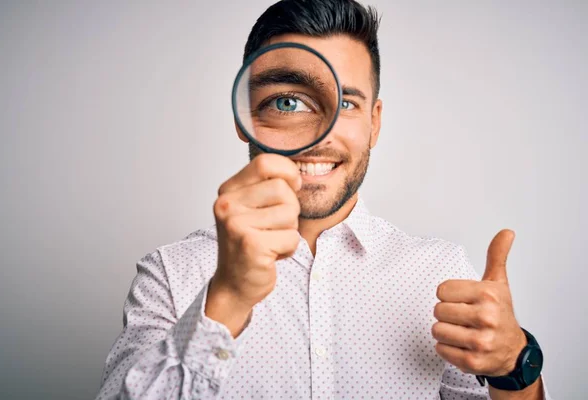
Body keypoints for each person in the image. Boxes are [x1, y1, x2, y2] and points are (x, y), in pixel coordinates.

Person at [96, 1, 552, 399]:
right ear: (243, 116)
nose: (321, 136)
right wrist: (227, 299)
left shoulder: (440, 273)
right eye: (288, 102)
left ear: (374, 123)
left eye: (347, 104)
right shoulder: (170, 275)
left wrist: (514, 368)